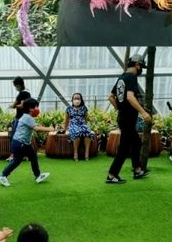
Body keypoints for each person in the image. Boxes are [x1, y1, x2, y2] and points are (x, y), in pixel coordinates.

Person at [106, 54, 152, 184]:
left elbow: (111, 97)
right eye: (141, 66)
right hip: (127, 119)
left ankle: (137, 170)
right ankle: (112, 174)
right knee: (124, 148)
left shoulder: (122, 77)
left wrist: (120, 109)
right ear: (137, 65)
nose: (141, 69)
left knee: (136, 142)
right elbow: (130, 97)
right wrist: (143, 112)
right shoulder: (131, 77)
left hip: (124, 118)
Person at [0, 98, 49, 187]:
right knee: (17, 161)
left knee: (33, 157)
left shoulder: (27, 117)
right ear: (30, 108)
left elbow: (35, 126)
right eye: (35, 107)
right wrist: (50, 129)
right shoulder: (27, 117)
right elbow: (36, 129)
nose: (37, 109)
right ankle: (2, 175)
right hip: (20, 143)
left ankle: (38, 176)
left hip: (22, 143)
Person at [61, 92, 95, 161]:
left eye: (78, 98)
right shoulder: (69, 109)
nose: (76, 100)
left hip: (82, 124)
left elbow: (85, 119)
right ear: (72, 100)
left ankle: (87, 153)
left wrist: (86, 126)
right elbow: (66, 120)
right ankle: (75, 153)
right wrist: (64, 129)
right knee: (77, 132)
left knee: (87, 132)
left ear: (81, 100)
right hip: (73, 125)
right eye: (75, 98)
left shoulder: (84, 108)